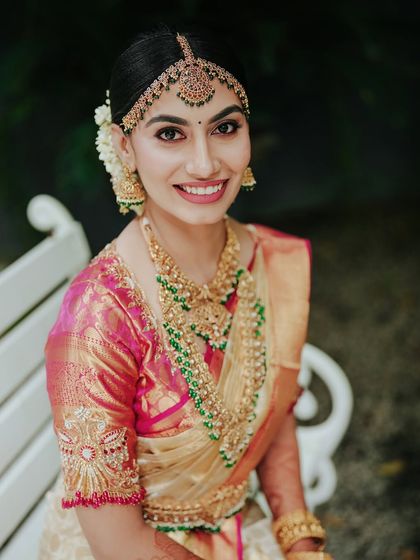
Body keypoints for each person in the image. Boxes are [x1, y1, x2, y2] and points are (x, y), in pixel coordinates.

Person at [38, 23, 333, 560]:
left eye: (224, 127)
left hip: (242, 528)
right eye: (170, 133)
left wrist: (301, 541)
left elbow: (276, 413)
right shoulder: (100, 315)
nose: (204, 163)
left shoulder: (270, 261)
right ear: (125, 147)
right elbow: (118, 541)